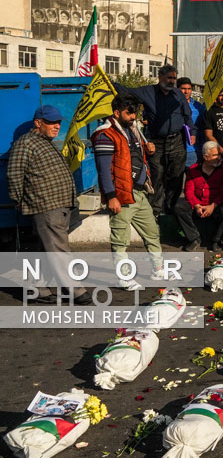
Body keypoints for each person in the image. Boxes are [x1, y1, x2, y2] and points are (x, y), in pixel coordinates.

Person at [7, 105, 88, 304]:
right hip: (45, 206)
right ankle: (75, 290)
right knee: (58, 251)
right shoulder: (25, 143)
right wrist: (17, 199)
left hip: (59, 205)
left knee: (46, 250)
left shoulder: (46, 142)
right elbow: (14, 173)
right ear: (38, 123)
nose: (56, 126)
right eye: (51, 122)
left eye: (58, 122)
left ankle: (37, 289)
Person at [91, 93, 163, 290]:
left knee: (152, 232)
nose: (133, 116)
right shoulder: (105, 135)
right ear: (116, 112)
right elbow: (104, 170)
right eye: (129, 113)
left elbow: (132, 156)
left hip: (139, 192)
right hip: (122, 194)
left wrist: (148, 150)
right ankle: (122, 277)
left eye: (135, 112)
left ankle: (158, 269)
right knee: (120, 238)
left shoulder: (133, 130)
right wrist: (111, 196)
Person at [122, 64, 194, 217]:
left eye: (174, 78)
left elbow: (187, 115)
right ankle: (155, 212)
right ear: (160, 77)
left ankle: (171, 208)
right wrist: (108, 84)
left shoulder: (178, 94)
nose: (172, 81)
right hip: (156, 143)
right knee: (157, 175)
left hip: (177, 142)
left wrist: (191, 131)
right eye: (169, 78)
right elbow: (126, 91)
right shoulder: (147, 92)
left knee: (176, 176)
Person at [174, 141, 223, 251]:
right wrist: (196, 205)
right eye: (215, 155)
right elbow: (189, 191)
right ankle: (194, 239)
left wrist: (212, 206)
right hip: (198, 205)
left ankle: (216, 240)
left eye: (219, 155)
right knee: (179, 206)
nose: (219, 158)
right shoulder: (193, 170)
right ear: (206, 157)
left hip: (215, 204)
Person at [178, 77, 206, 167]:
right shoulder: (171, 106)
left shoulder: (197, 107)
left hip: (194, 151)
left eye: (189, 89)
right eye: (183, 89)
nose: (186, 92)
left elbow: (202, 128)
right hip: (176, 150)